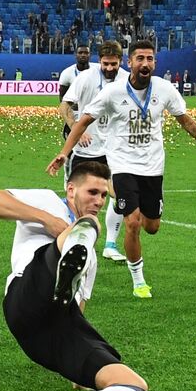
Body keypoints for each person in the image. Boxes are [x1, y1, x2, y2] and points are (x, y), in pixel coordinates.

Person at [48, 39, 196, 299]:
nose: (146, 63)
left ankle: (149, 213)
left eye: (150, 59)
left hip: (153, 166)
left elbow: (186, 122)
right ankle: (138, 280)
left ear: (155, 62)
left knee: (151, 226)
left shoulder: (165, 89)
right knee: (131, 222)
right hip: (122, 164)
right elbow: (83, 119)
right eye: (140, 59)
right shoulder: (113, 92)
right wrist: (64, 153)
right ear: (130, 62)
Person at [0, 161, 150, 391]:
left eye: (104, 195)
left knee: (134, 388)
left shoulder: (90, 256)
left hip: (51, 330)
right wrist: (46, 220)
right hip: (26, 295)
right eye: (92, 192)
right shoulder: (47, 201)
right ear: (71, 190)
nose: (99, 200)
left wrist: (76, 361)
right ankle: (60, 264)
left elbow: (79, 308)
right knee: (87, 225)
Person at [61, 40, 123, 259]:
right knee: (77, 200)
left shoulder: (127, 80)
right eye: (105, 63)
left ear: (120, 62)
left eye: (113, 64)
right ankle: (69, 244)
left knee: (120, 196)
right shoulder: (85, 78)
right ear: (99, 61)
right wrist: (78, 129)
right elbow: (65, 105)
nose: (109, 68)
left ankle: (110, 245)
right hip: (85, 151)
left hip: (114, 150)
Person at [56, 44, 91, 140]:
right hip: (75, 113)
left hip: (91, 112)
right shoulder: (67, 73)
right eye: (80, 53)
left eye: (86, 53)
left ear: (90, 55)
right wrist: (70, 115)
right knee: (71, 143)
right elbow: (62, 98)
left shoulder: (96, 71)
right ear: (75, 55)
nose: (83, 55)